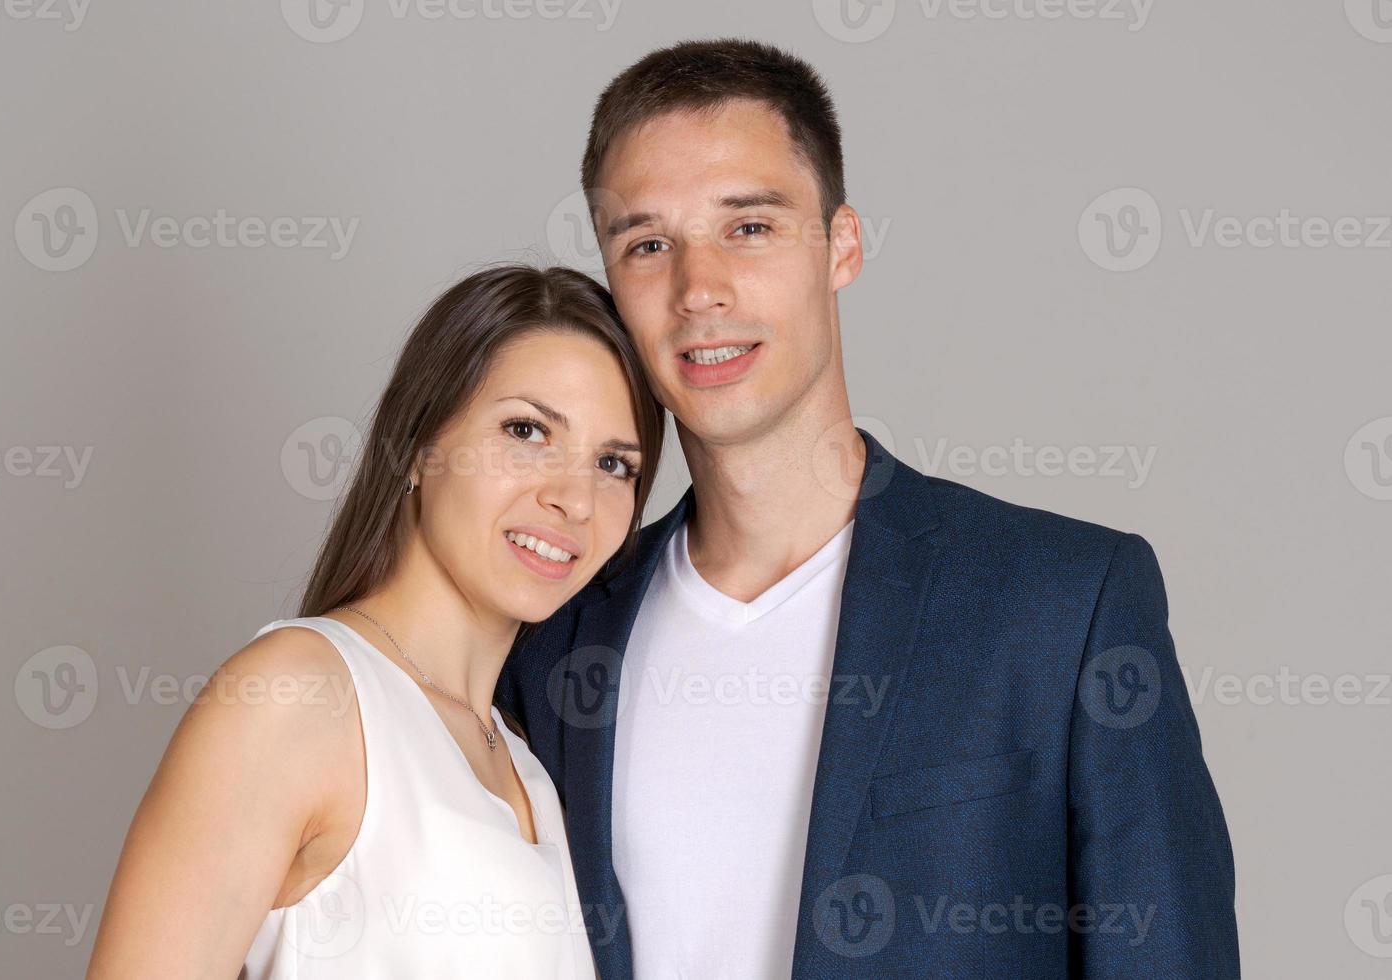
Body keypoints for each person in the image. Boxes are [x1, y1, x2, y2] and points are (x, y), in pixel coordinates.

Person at [495, 39, 1240, 978]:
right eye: (648, 245)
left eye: (749, 227)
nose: (699, 290)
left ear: (841, 244)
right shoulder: (553, 636)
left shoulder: (1062, 604)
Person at [85, 264, 666, 978]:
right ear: (418, 446)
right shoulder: (297, 696)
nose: (574, 500)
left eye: (614, 464)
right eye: (526, 430)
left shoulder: (525, 765)